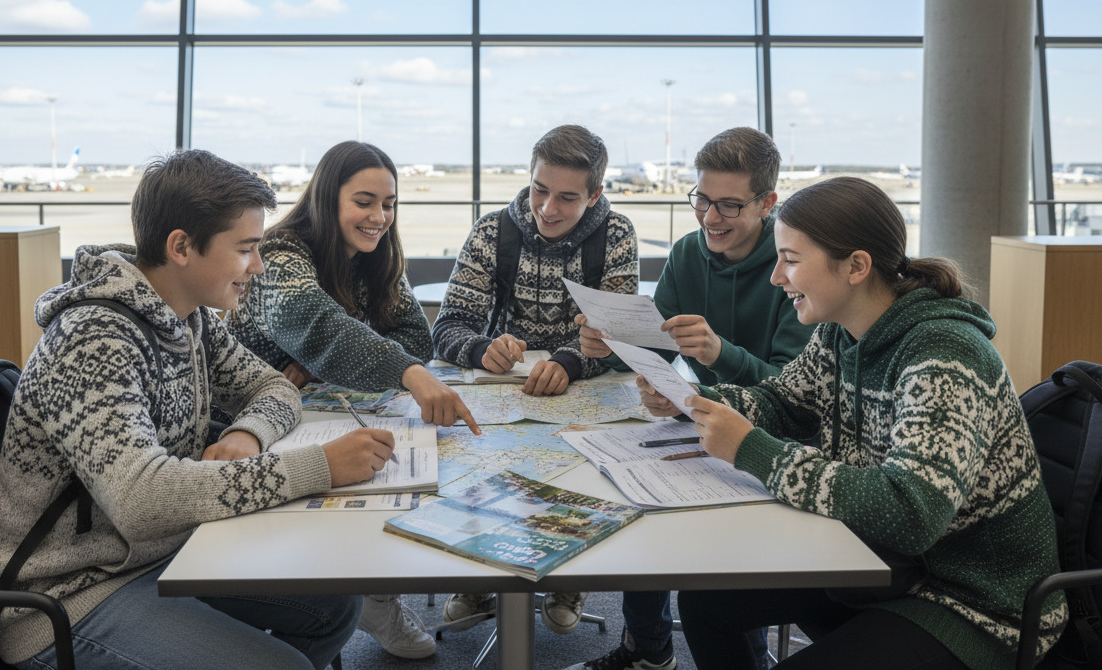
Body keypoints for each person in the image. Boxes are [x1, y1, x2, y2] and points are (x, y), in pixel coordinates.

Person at [0, 149, 394, 670]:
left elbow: (274, 389)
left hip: (161, 554)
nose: (257, 267)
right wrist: (319, 467)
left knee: (335, 606)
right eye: (245, 249)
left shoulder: (191, 318)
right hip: (68, 596)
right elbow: (141, 497)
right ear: (181, 247)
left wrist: (248, 435)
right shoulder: (93, 339)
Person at [670, 176, 1067, 670]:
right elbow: (780, 403)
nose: (776, 277)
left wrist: (751, 449)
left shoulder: (944, 355)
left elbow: (911, 512)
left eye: (790, 260)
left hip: (974, 606)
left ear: (856, 266)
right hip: (877, 566)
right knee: (706, 601)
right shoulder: (840, 334)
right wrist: (689, 400)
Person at [567, 126, 815, 670]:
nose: (710, 218)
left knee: (715, 563)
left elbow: (794, 390)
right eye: (702, 199)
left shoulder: (793, 266)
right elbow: (653, 339)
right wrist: (603, 344)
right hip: (706, 418)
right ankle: (647, 648)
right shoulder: (686, 253)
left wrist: (719, 353)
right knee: (638, 493)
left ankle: (742, 653)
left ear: (767, 202)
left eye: (728, 205)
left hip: (772, 436)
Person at [227, 139, 478, 660]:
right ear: (327, 197)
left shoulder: (376, 256)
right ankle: (367, 599)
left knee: (398, 467)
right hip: (254, 422)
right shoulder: (279, 253)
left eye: (389, 204)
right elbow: (312, 322)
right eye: (364, 201)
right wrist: (402, 371)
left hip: (324, 409)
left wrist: (327, 359)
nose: (379, 216)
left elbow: (417, 337)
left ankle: (373, 592)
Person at [432, 124, 639, 636]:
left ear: (595, 196)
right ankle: (481, 577)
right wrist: (483, 349)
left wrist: (570, 361)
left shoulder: (617, 235)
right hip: (504, 389)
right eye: (539, 189)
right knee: (487, 473)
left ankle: (567, 579)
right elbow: (448, 326)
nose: (547, 208)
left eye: (568, 197)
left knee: (584, 478)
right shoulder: (491, 230)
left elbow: (618, 338)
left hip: (586, 392)